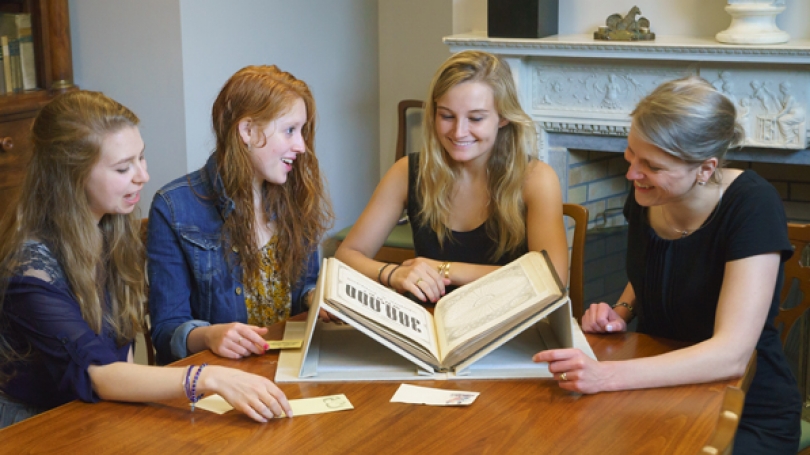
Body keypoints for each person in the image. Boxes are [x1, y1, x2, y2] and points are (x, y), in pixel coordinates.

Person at [533, 76, 801, 454]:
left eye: (652, 165)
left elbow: (731, 354)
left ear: (706, 168)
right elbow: (656, 264)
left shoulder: (752, 205)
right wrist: (621, 311)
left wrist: (605, 375)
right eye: (630, 155)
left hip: (742, 408)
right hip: (655, 385)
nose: (632, 174)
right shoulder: (647, 191)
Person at [0, 91, 293, 428]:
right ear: (70, 176)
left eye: (141, 158)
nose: (143, 176)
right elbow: (98, 372)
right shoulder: (29, 269)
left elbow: (119, 352)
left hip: (94, 414)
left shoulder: (110, 228)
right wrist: (208, 377)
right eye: (124, 167)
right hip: (33, 427)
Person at [335, 50, 567, 304]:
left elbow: (552, 278)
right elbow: (347, 255)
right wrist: (393, 273)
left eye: (476, 118)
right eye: (447, 116)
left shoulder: (536, 179)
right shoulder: (407, 171)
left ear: (502, 117)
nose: (459, 132)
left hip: (508, 328)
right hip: (430, 326)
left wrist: (443, 269)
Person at [147, 65, 333, 365]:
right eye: (289, 130)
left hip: (290, 365)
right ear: (247, 131)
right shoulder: (174, 206)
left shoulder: (295, 194)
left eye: (302, 131)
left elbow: (303, 289)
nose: (301, 146)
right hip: (220, 379)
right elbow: (167, 331)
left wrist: (318, 299)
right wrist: (209, 335)